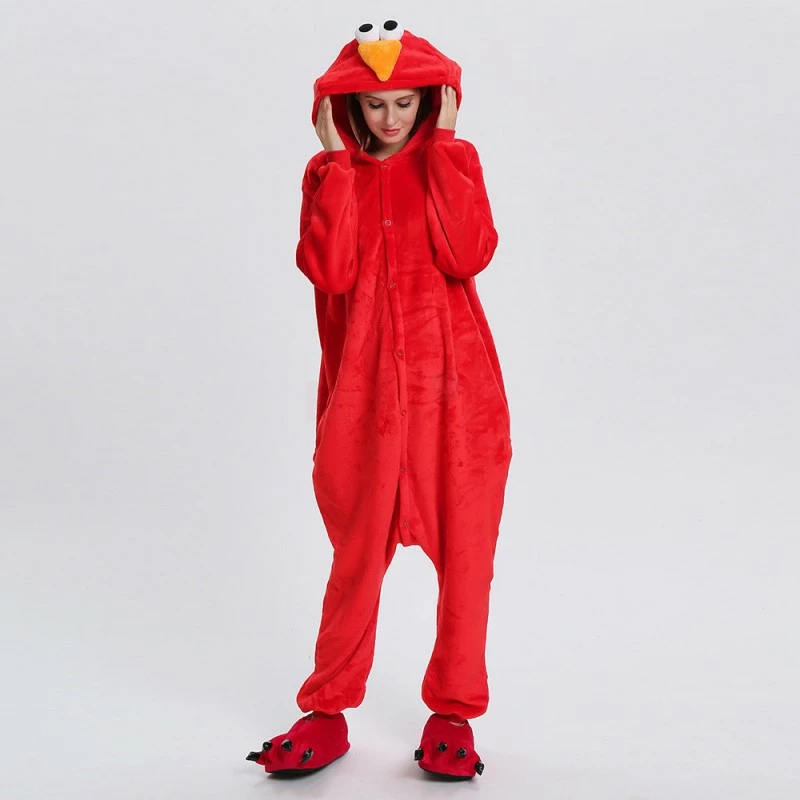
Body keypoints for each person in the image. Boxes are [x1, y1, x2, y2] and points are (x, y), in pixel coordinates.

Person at [246, 21, 512, 779]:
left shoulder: (451, 162)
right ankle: (325, 712)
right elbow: (328, 272)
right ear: (348, 107)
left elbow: (469, 253)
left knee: (466, 563)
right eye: (373, 104)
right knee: (356, 560)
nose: (390, 118)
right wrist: (336, 162)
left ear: (430, 100)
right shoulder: (329, 175)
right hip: (362, 406)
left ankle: (453, 716)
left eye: (405, 102)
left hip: (456, 403)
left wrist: (447, 144)